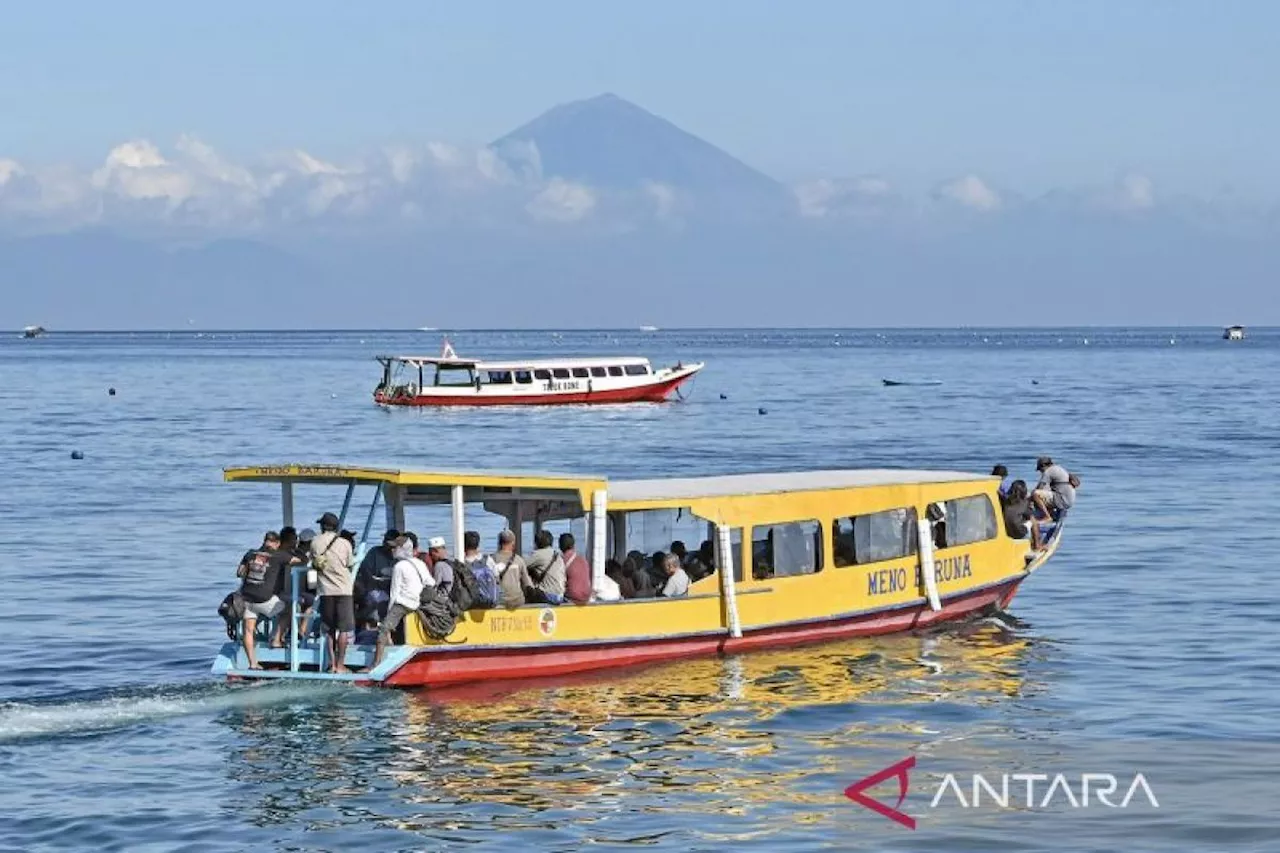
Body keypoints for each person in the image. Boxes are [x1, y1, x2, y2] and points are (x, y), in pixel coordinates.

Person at [372, 536, 433, 668]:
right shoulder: (419, 563)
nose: (392, 550)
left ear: (402, 549)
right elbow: (430, 582)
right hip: (418, 602)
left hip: (404, 603)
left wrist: (389, 615)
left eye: (395, 548)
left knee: (383, 629)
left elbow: (394, 593)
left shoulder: (399, 566)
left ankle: (376, 663)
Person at [238, 531, 294, 670]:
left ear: (264, 541)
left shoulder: (250, 553)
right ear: (277, 543)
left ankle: (253, 663)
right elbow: (299, 561)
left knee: (248, 631)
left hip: (246, 599)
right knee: (289, 608)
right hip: (264, 601)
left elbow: (239, 572)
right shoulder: (279, 555)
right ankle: (276, 640)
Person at [311, 511, 356, 674]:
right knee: (344, 629)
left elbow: (314, 562)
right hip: (344, 590)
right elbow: (350, 563)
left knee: (329, 628)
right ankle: (341, 664)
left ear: (323, 526)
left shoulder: (315, 542)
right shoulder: (345, 543)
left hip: (325, 591)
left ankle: (331, 664)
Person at [354, 529, 401, 620]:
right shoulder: (374, 552)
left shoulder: (400, 557)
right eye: (385, 541)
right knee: (374, 601)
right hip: (375, 588)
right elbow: (365, 571)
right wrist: (375, 583)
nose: (387, 546)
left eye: (392, 546)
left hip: (393, 590)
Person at [491, 530, 533, 609]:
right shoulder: (519, 560)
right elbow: (527, 583)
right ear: (513, 543)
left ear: (499, 543)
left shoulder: (492, 559)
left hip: (500, 600)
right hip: (517, 600)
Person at [526, 530, 566, 604]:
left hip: (548, 595)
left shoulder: (538, 554)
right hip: (560, 596)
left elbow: (520, 565)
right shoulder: (557, 555)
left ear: (537, 543)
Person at [1032, 457, 1076, 521]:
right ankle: (1051, 514)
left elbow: (1039, 488)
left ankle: (1047, 517)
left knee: (1035, 494)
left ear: (1044, 465)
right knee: (1045, 496)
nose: (1040, 472)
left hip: (1062, 500)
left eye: (1040, 469)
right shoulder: (1059, 468)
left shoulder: (1048, 471)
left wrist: (1029, 498)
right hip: (1069, 499)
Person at [1002, 480, 1042, 550]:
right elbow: (1030, 516)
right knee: (1033, 521)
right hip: (1020, 532)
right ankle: (1037, 545)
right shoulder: (1024, 502)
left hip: (1007, 531)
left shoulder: (1006, 501)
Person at [561, 533, 592, 604]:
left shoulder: (562, 560)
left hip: (573, 598)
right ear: (573, 545)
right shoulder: (583, 560)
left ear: (561, 546)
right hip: (586, 597)